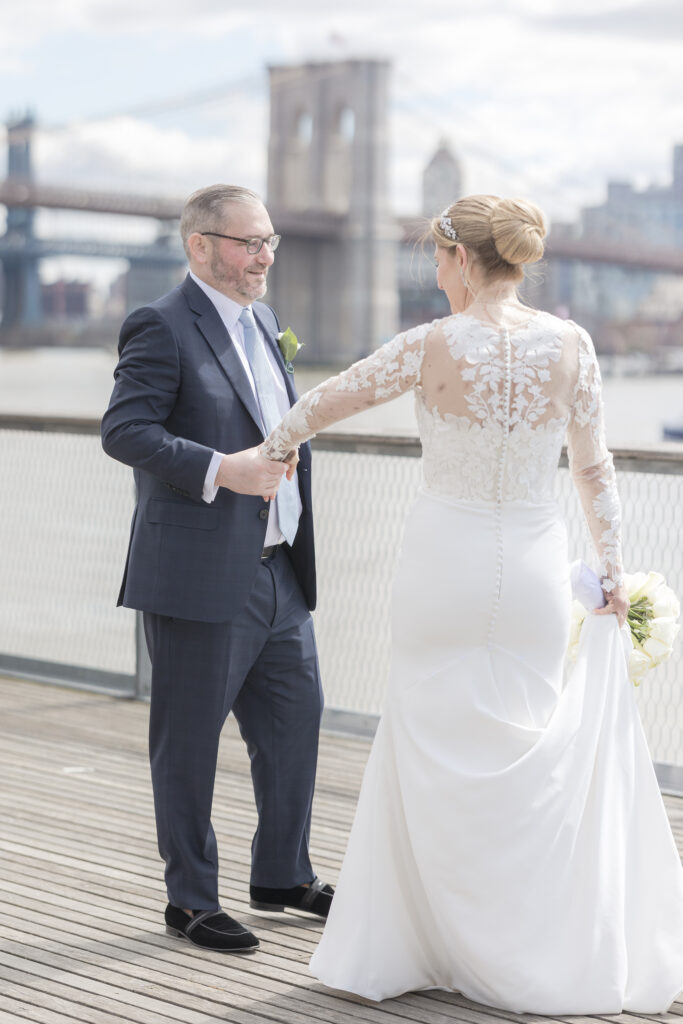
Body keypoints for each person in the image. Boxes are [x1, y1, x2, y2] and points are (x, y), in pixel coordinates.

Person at [260, 195, 683, 1012]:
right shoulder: (571, 344)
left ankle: (424, 944)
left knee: (422, 741)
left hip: (441, 563)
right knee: (527, 747)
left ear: (456, 257)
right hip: (530, 565)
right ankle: (524, 943)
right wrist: (609, 569)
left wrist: (269, 453)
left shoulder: (427, 345)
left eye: (434, 256)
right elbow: (594, 474)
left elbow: (320, 405)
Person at [101, 184, 333, 954]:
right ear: (200, 246)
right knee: (189, 743)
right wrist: (218, 469)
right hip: (200, 573)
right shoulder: (160, 325)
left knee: (296, 725)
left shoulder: (264, 319)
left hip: (279, 571)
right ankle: (192, 901)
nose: (265, 255)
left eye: (269, 241)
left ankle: (281, 875)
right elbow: (125, 430)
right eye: (248, 243)